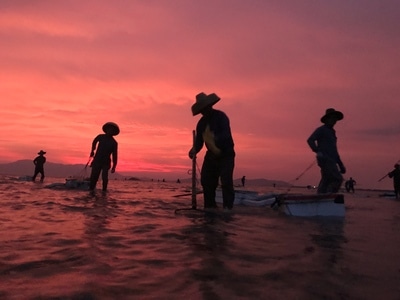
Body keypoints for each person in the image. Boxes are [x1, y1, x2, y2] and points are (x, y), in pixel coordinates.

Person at [189, 92, 235, 209]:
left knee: (226, 182)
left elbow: (226, 135)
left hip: (226, 153)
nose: (205, 111)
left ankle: (227, 208)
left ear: (210, 105)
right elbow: (199, 142)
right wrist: (194, 150)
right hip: (211, 156)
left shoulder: (221, 117)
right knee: (206, 181)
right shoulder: (201, 124)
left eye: (206, 108)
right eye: (202, 110)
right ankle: (210, 207)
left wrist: (213, 138)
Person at [307, 108, 346, 194]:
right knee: (337, 178)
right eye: (332, 118)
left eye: (335, 119)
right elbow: (310, 140)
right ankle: (328, 196)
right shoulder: (321, 130)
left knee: (326, 179)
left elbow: (334, 150)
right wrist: (317, 150)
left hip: (332, 160)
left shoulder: (332, 132)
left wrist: (340, 164)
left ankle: (320, 197)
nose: (334, 120)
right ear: (327, 119)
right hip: (325, 159)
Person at [89, 122, 119, 193]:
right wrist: (93, 150)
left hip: (106, 162)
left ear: (114, 132)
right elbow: (94, 141)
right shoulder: (100, 137)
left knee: (104, 177)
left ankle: (104, 191)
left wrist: (114, 166)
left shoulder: (114, 143)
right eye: (109, 129)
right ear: (107, 130)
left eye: (112, 130)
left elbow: (114, 155)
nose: (110, 131)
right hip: (97, 160)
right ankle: (91, 190)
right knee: (94, 177)